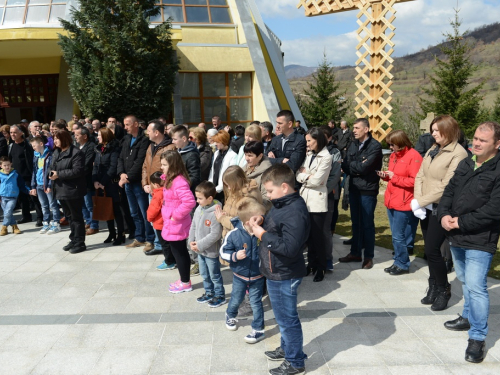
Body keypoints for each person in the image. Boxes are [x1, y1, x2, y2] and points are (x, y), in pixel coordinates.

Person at [438, 121, 500, 364]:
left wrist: (460, 222)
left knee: (475, 287)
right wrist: (443, 215)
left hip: (480, 238)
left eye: (482, 140)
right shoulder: (467, 162)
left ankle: (477, 337)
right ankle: (467, 317)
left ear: (497, 144)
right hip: (456, 236)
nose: (475, 143)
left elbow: (494, 210)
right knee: (464, 280)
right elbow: (449, 192)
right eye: (475, 138)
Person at [249, 164, 309, 375]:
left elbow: (290, 248)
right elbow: (277, 224)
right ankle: (287, 348)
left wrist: (262, 235)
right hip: (275, 270)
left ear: (284, 187)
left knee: (287, 319)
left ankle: (295, 361)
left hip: (284, 273)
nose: (269, 196)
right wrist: (262, 220)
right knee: (283, 316)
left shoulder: (294, 211)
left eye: (271, 191)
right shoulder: (282, 203)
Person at [413, 115, 468, 311]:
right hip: (426, 207)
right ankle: (433, 285)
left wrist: (420, 201)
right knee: (430, 251)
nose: (433, 133)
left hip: (441, 208)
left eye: (437, 130)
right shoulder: (433, 149)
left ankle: (443, 289)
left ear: (449, 130)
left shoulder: (458, 153)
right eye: (432, 130)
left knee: (432, 250)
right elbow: (420, 174)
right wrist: (418, 201)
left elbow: (447, 186)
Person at [221, 197, 267, 343]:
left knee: (256, 303)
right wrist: (234, 256)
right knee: (236, 298)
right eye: (258, 219)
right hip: (239, 276)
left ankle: (258, 329)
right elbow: (223, 251)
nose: (262, 220)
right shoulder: (234, 234)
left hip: (258, 276)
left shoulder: (263, 232)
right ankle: (230, 314)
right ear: (249, 222)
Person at [339, 118, 383, 269]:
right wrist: (357, 166)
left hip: (367, 190)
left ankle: (368, 256)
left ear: (366, 129)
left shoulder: (375, 146)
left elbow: (365, 168)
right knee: (356, 222)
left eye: (357, 128)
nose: (354, 130)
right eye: (354, 128)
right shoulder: (353, 144)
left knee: (367, 224)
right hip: (354, 188)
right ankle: (355, 252)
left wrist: (354, 166)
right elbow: (345, 164)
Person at [377, 130, 422, 276]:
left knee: (398, 235)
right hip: (392, 199)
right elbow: (393, 176)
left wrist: (394, 177)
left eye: (392, 144)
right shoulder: (393, 156)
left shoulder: (414, 156)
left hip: (404, 201)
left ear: (400, 143)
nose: (390, 147)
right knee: (397, 234)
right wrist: (386, 177)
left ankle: (402, 263)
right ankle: (398, 260)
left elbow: (415, 181)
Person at [297, 128, 333, 282]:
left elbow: (318, 181)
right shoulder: (310, 154)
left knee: (318, 236)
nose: (307, 144)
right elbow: (298, 174)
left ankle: (321, 267)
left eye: (310, 141)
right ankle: (311, 264)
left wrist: (305, 175)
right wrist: (306, 176)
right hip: (304, 198)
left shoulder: (326, 157)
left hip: (317, 201)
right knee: (308, 236)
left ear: (318, 140)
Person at [160, 150, 196, 294]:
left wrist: (175, 216)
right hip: (172, 222)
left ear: (173, 165)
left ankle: (185, 282)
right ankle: (184, 279)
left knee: (180, 253)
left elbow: (189, 202)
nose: (161, 167)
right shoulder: (170, 179)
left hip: (176, 223)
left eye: (164, 164)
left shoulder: (178, 181)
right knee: (178, 252)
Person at [118, 115, 155, 253]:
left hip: (138, 182)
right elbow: (121, 157)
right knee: (134, 213)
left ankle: (149, 239)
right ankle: (139, 237)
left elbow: (140, 162)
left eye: (127, 124)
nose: (125, 127)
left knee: (145, 212)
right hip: (127, 181)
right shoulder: (127, 139)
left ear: (135, 124)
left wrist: (128, 177)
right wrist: (121, 173)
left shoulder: (144, 140)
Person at [49, 130, 87, 254]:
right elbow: (52, 167)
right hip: (60, 189)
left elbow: (77, 171)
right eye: (54, 138)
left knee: (76, 217)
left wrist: (58, 174)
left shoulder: (76, 153)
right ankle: (73, 239)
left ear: (64, 139)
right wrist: (51, 174)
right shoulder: (56, 152)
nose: (54, 141)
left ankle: (80, 242)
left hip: (72, 190)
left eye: (57, 138)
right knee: (69, 217)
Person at [142, 120, 176, 255]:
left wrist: (163, 186)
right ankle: (158, 244)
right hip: (151, 188)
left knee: (163, 220)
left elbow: (172, 170)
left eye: (149, 131)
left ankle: (165, 248)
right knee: (154, 219)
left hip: (163, 190)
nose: (147, 133)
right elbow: (145, 166)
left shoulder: (170, 147)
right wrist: (145, 183)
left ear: (156, 132)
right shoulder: (150, 147)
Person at [188, 181, 224, 307]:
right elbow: (193, 225)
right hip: (200, 250)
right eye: (196, 197)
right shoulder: (199, 209)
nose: (197, 201)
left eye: (200, 198)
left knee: (214, 275)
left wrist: (199, 244)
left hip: (211, 252)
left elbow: (215, 234)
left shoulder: (215, 212)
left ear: (210, 198)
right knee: (204, 274)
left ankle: (220, 295)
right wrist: (191, 241)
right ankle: (209, 292)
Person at [92, 128, 126, 246]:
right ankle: (111, 233)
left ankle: (120, 234)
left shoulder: (114, 149)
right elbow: (95, 166)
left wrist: (103, 182)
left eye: (100, 135)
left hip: (111, 183)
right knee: (106, 209)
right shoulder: (98, 149)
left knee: (116, 209)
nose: (98, 137)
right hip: (101, 183)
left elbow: (112, 167)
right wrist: (95, 180)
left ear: (105, 136)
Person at [215, 165, 263, 240]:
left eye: (230, 185)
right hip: (230, 238)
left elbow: (243, 225)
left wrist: (222, 218)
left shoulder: (247, 199)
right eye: (227, 185)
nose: (229, 188)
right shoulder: (235, 192)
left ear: (238, 182)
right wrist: (223, 214)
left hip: (239, 242)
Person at [8, 124, 43, 226]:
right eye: (11, 132)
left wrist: (34, 174)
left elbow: (32, 160)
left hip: (28, 175)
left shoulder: (27, 146)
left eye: (14, 132)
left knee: (33, 197)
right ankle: (26, 216)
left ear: (20, 133)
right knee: (22, 198)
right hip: (17, 176)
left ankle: (40, 217)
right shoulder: (11, 146)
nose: (12, 134)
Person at [320, 126, 342, 271]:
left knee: (325, 230)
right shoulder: (309, 153)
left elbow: (334, 176)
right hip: (311, 195)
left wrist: (323, 191)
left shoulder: (335, 153)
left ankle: (328, 259)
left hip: (327, 195)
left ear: (329, 138)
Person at [29, 137, 61, 234]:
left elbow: (51, 171)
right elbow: (34, 172)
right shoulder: (36, 156)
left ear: (41, 144)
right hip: (39, 184)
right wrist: (33, 186)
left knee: (53, 204)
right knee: (43, 205)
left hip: (47, 184)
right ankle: (46, 222)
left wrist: (49, 185)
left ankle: (56, 223)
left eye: (34, 145)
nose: (33, 148)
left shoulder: (50, 155)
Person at [147, 171, 177, 270]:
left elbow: (153, 209)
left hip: (160, 223)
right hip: (168, 222)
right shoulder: (168, 190)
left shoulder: (158, 194)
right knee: (170, 243)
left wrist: (149, 218)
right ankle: (174, 260)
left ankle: (169, 262)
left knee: (165, 244)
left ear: (155, 184)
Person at [74, 127, 99, 236]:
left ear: (85, 136)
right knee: (82, 204)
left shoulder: (91, 147)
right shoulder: (76, 147)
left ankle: (94, 225)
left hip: (87, 179)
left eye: (77, 135)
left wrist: (75, 171)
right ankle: (88, 221)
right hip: (78, 180)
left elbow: (87, 164)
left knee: (90, 204)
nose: (75, 137)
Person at [267, 110, 307, 176]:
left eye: (280, 123)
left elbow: (292, 166)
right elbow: (264, 160)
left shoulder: (300, 141)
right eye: (277, 123)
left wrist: (274, 161)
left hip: (291, 182)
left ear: (289, 124)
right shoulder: (275, 139)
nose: (277, 126)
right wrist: (281, 160)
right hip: (275, 179)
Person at [0, 157, 27, 236]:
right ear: (1, 166)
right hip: (3, 197)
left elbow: (22, 184)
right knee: (7, 213)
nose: (7, 167)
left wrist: (28, 190)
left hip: (12, 197)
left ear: (11, 164)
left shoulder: (15, 174)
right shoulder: (0, 175)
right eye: (5, 165)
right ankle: (15, 227)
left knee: (7, 212)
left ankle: (4, 227)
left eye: (8, 165)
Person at [209, 130, 238, 203]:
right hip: (214, 188)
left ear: (224, 141)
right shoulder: (216, 153)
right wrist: (210, 186)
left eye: (218, 142)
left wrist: (218, 189)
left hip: (224, 191)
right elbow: (213, 171)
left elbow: (230, 176)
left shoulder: (233, 155)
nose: (215, 144)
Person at [171, 125, 201, 193]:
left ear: (184, 139)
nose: (172, 142)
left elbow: (194, 177)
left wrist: (180, 185)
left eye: (175, 139)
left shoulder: (192, 155)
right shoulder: (177, 151)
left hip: (186, 193)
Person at [243, 141, 272, 207]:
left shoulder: (267, 173)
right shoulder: (244, 170)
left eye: (250, 155)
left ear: (260, 156)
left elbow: (267, 199)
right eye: (245, 155)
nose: (246, 158)